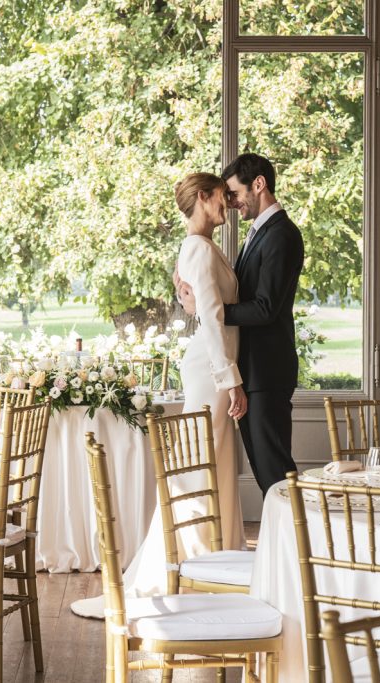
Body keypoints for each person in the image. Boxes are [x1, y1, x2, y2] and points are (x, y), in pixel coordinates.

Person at [71, 172, 246, 617]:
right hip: (211, 373)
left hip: (214, 368)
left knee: (215, 468)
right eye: (221, 196)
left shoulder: (203, 247)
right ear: (202, 198)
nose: (227, 203)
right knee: (195, 472)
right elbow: (209, 316)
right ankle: (177, 570)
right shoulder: (197, 248)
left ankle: (216, 566)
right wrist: (232, 380)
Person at [178, 153, 304, 494]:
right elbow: (221, 292)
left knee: (276, 474)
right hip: (251, 371)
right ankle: (286, 544)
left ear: (259, 184)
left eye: (233, 193)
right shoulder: (258, 234)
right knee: (268, 473)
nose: (230, 202)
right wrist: (197, 302)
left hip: (267, 371)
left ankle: (296, 546)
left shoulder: (281, 234)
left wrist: (208, 311)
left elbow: (264, 308)